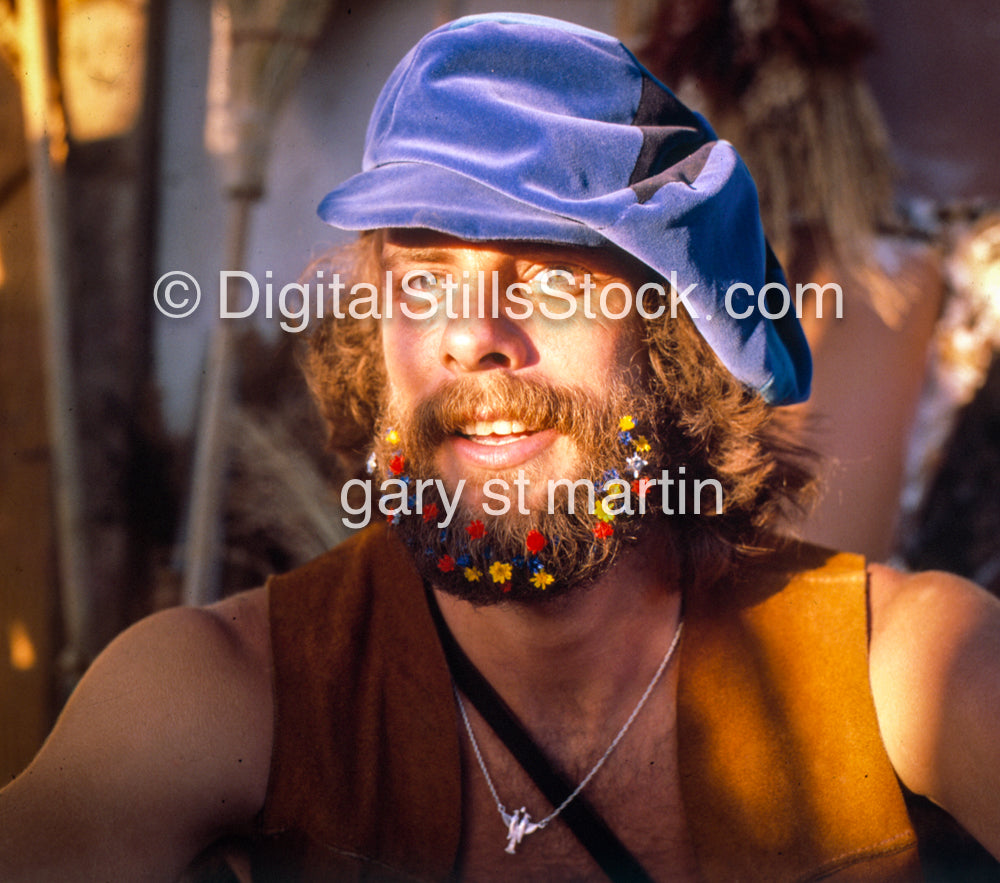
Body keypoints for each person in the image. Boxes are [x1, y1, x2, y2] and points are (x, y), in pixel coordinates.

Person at [2, 13, 999, 882]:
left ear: (676, 342)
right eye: (423, 277)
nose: (469, 333)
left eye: (549, 277)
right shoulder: (225, 693)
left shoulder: (895, 671)